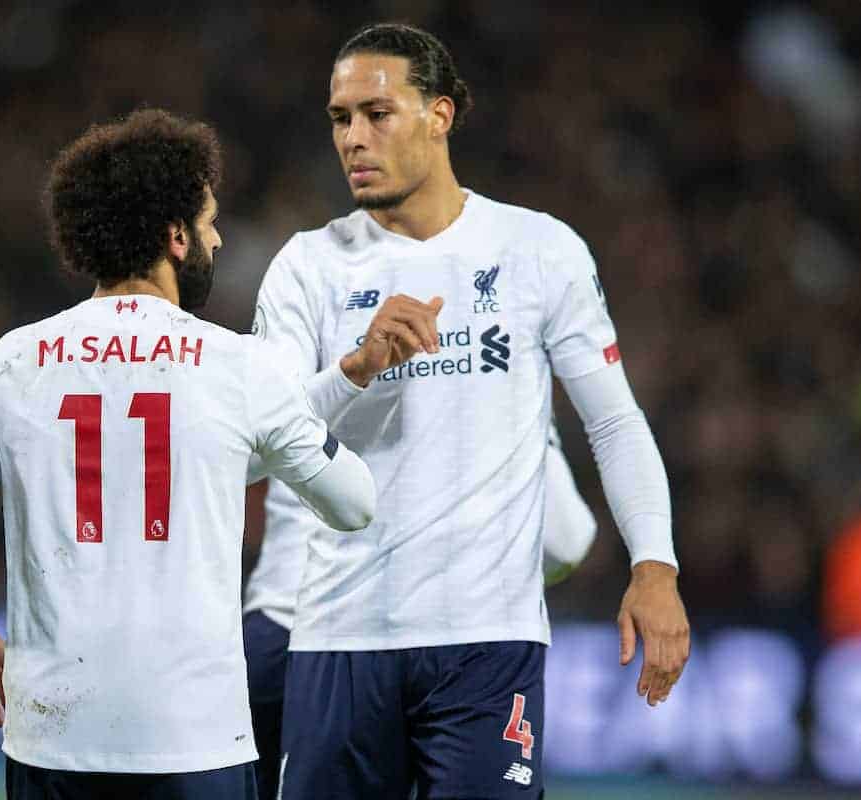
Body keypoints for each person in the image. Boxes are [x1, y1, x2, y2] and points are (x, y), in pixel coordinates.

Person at [250, 23, 691, 799]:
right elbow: (257, 449)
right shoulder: (306, 266)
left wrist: (654, 568)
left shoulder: (537, 250)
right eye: (339, 118)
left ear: (440, 115)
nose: (353, 137)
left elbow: (615, 422)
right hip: (336, 638)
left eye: (376, 114)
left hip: (487, 645)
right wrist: (354, 370)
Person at [0, 108, 377, 800]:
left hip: (53, 743)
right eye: (210, 220)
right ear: (176, 235)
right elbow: (354, 504)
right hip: (196, 744)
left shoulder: (5, 365)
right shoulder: (241, 369)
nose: (218, 235)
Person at [242, 420, 596, 800]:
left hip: (282, 630)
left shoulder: (290, 365)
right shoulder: (504, 386)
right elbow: (566, 541)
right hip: (437, 636)